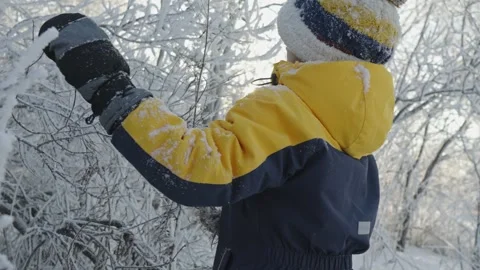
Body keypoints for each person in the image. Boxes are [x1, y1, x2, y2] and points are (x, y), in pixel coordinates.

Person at [39, 0, 403, 269]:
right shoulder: (357, 129)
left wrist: (109, 85)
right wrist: (247, 218)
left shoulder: (287, 108)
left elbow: (195, 165)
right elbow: (319, 215)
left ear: (310, 43)